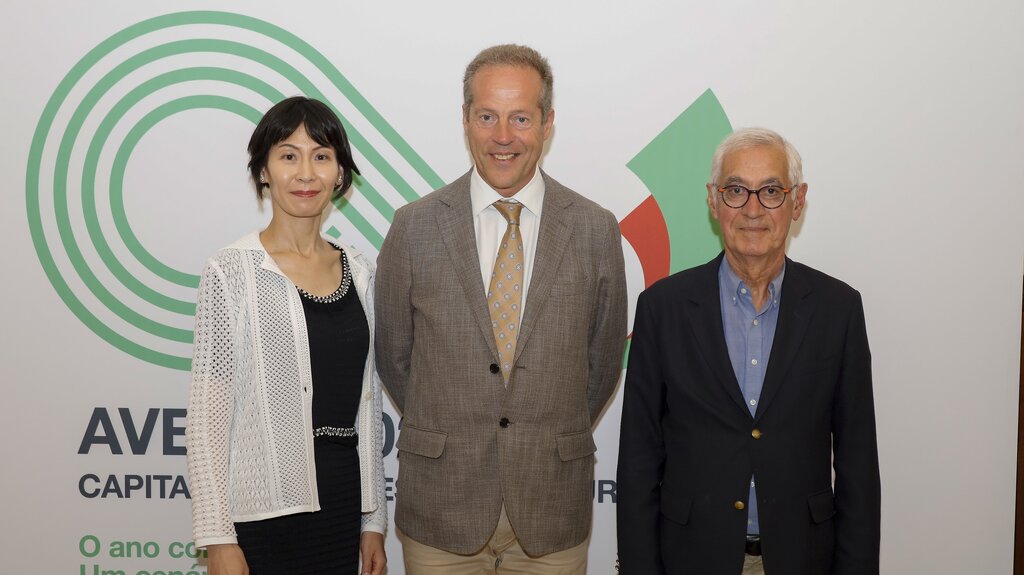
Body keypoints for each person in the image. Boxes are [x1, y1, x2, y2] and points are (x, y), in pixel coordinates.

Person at [375, 44, 627, 573]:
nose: (503, 136)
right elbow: (396, 358)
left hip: (551, 508)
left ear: (548, 123)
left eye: (521, 118)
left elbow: (602, 364)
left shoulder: (594, 229)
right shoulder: (414, 227)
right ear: (465, 120)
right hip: (442, 508)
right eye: (487, 116)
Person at [617, 128, 880, 575]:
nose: (753, 209)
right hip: (690, 559)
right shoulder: (663, 308)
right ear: (713, 200)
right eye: (736, 190)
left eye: (771, 191)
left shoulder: (838, 309)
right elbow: (639, 461)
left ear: (798, 202)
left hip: (803, 558)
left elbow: (858, 465)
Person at [185, 96, 387, 575]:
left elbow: (368, 403)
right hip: (261, 514)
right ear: (264, 171)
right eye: (289, 156)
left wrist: (373, 519)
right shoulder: (231, 271)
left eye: (321, 156)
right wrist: (218, 538)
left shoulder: (361, 271)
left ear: (340, 173)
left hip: (341, 505)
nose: (306, 174)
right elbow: (207, 419)